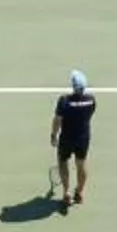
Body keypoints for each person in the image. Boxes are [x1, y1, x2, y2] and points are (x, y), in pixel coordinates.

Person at [50, 68, 95, 209]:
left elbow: (57, 120)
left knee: (63, 162)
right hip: (83, 139)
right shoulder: (91, 100)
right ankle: (80, 192)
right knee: (81, 164)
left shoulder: (64, 101)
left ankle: (66, 193)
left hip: (67, 139)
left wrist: (53, 135)